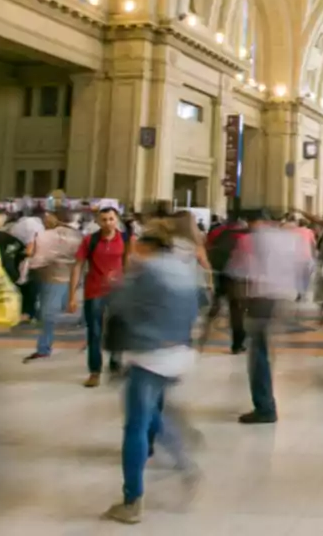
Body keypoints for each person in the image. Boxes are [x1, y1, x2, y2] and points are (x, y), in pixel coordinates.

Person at [101, 220, 202, 525]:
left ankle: (132, 500)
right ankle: (185, 465)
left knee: (136, 426)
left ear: (147, 246)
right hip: (179, 352)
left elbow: (118, 305)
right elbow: (199, 305)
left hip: (149, 354)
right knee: (155, 414)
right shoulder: (185, 269)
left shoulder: (146, 271)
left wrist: (117, 282)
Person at [231, 211, 306, 424]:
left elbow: (237, 271)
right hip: (283, 297)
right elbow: (305, 266)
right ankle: (265, 403)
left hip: (260, 299)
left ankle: (265, 407)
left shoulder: (250, 240)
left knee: (258, 355)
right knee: (264, 351)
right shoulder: (291, 239)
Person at [68, 207, 129, 387]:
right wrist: (72, 295)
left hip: (118, 292)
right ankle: (94, 371)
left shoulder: (126, 239)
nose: (108, 223)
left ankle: (116, 363)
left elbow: (130, 264)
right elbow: (78, 266)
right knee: (94, 332)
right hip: (94, 291)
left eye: (111, 219)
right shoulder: (90, 240)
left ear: (117, 219)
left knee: (117, 329)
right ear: (97, 221)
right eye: (104, 219)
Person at [22, 210, 83, 362]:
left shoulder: (47, 235)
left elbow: (35, 255)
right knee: (55, 311)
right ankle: (47, 345)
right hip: (70, 275)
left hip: (51, 277)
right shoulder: (77, 235)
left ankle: (44, 347)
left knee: (48, 314)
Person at [202, 214, 249, 353]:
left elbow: (208, 247)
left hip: (221, 272)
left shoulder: (219, 232)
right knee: (237, 310)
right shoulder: (248, 236)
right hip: (239, 277)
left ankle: (203, 337)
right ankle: (237, 343)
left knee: (216, 303)